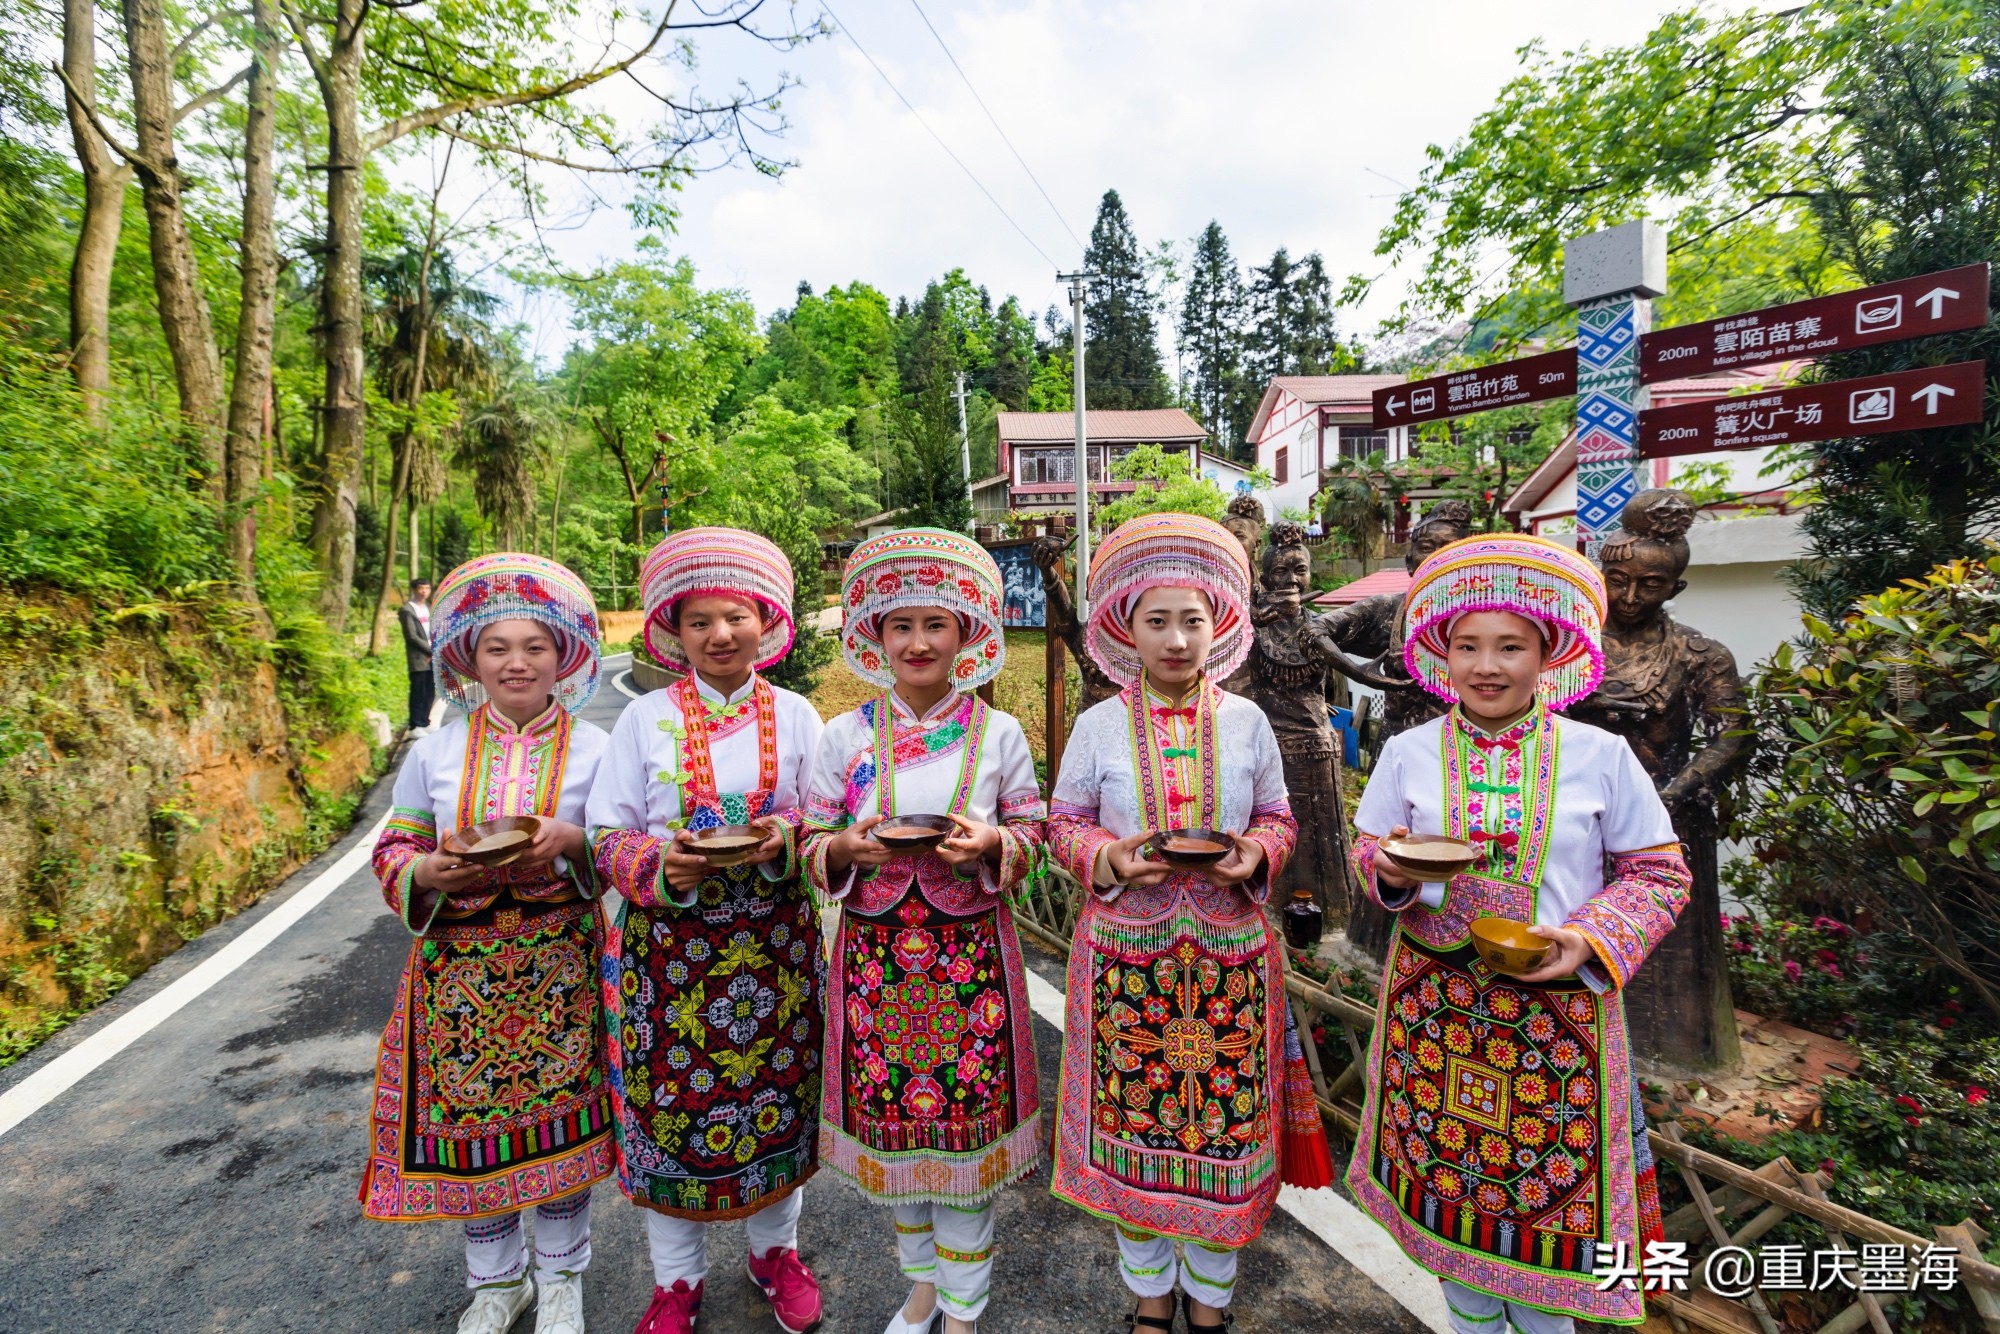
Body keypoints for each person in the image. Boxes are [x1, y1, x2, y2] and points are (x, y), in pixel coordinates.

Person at [1347, 533, 1693, 1334]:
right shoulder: (1407, 751)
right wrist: (1393, 875)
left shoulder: (1600, 755)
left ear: (1550, 652)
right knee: (1453, 1232)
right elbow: (1370, 851)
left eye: (1510, 646)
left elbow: (1659, 874)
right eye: (1466, 645)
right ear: (1440, 650)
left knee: (1549, 1255)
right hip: (1435, 1022)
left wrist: (1587, 940)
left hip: (1558, 1027)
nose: (1486, 666)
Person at [1045, 512, 1332, 1334]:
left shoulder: (1247, 723)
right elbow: (1062, 822)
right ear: (1124, 628)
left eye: (1193, 620)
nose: (1176, 639)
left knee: (1222, 1143)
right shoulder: (1099, 725)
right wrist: (1107, 855)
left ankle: (1210, 1304)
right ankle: (1149, 1298)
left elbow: (1279, 815)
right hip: (1123, 968)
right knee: (1136, 1128)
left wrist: (1256, 854)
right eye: (1156, 620)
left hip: (1230, 965)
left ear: (1222, 625)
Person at [800, 529, 1047, 1334]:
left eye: (934, 625)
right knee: (900, 1144)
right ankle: (922, 1291)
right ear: (872, 636)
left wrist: (996, 845)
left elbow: (1036, 832)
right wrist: (843, 846)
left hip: (971, 965)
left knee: (964, 1154)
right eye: (898, 626)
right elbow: (810, 838)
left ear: (969, 635)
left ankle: (964, 1309)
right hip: (876, 966)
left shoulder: (1000, 734)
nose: (916, 643)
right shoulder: (844, 737)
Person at [362, 554, 613, 1334]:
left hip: (557, 961)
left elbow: (618, 848)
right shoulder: (434, 751)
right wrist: (426, 870)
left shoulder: (594, 750)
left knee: (562, 1119)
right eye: (497, 646)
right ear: (468, 656)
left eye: (535, 645)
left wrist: (572, 844)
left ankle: (563, 1276)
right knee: (474, 1129)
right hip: (458, 970)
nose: (516, 662)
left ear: (563, 656)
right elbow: (394, 844)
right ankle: (496, 1283)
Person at [586, 528, 827, 1334]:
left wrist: (784, 838)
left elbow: (828, 820)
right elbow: (605, 832)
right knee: (669, 1119)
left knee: (780, 1104)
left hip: (777, 951)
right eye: (700, 622)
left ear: (766, 620)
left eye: (735, 616)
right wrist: (662, 865)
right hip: (669, 961)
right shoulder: (644, 719)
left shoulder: (796, 716)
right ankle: (676, 1282)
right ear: (673, 632)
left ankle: (776, 1256)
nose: (720, 635)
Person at [401, 577, 436, 734]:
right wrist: (430, 650)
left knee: (430, 689)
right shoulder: (408, 610)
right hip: (419, 657)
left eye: (427, 588)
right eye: (421, 588)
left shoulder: (429, 608)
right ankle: (415, 725)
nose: (424, 592)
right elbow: (412, 636)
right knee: (418, 690)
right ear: (414, 590)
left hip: (432, 656)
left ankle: (425, 721)